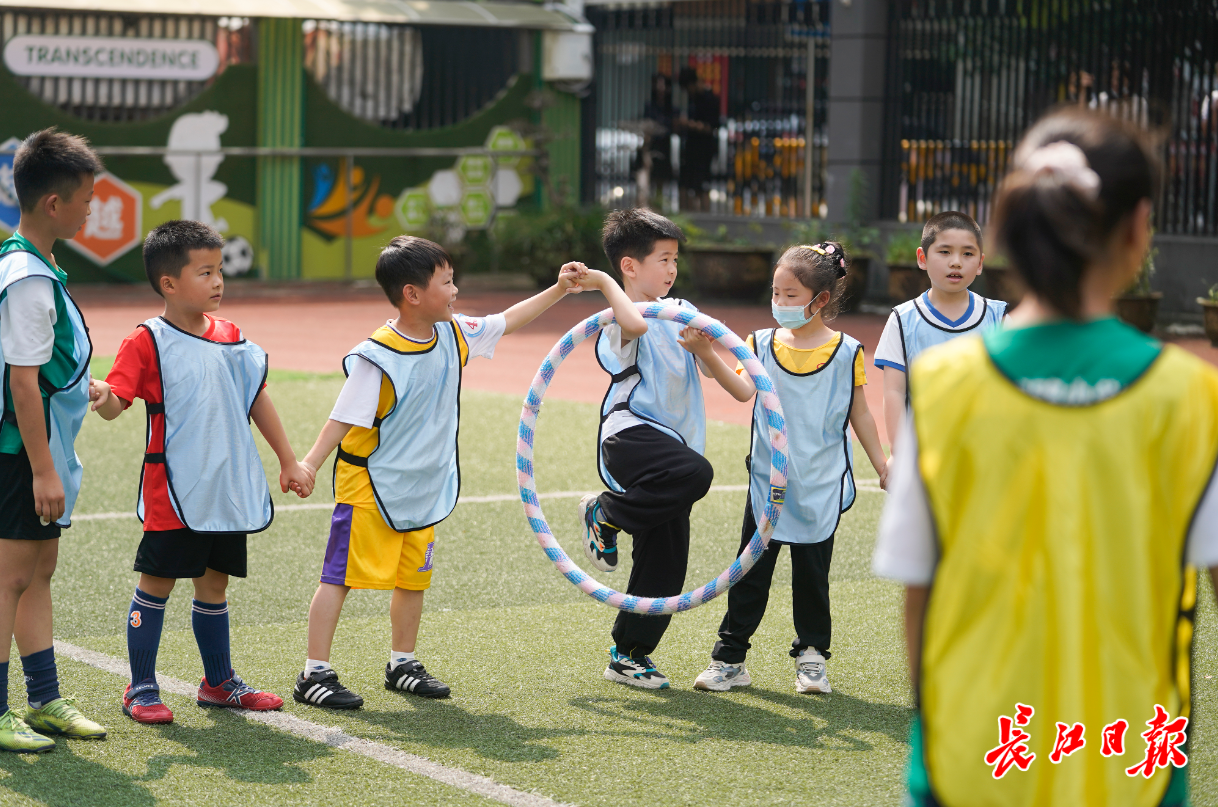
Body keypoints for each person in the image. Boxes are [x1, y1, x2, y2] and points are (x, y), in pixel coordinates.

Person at [873, 108, 1218, 806]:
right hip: (1135, 765)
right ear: (1139, 230)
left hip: (973, 756)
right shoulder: (1190, 395)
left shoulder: (943, 391)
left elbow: (921, 599)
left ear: (1004, 232)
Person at [292, 236, 587, 709]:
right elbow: (342, 419)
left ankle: (401, 663)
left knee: (414, 578)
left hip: (423, 485)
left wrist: (558, 289)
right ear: (412, 294)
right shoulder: (377, 356)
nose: (455, 291)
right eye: (446, 282)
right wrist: (308, 463)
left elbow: (507, 321)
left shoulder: (454, 331)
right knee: (339, 576)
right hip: (371, 485)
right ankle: (314, 673)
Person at [90, 220, 314, 724]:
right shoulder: (146, 340)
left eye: (219, 271)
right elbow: (117, 402)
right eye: (205, 272)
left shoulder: (233, 336)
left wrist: (288, 459)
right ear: (169, 283)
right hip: (173, 490)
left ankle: (219, 683)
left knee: (215, 587)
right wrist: (103, 397)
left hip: (226, 488)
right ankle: (141, 688)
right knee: (157, 584)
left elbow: (256, 397)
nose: (218, 281)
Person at [691, 243, 889, 695]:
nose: (779, 302)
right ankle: (730, 658)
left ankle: (812, 657)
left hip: (819, 484)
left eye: (790, 294)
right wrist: (707, 353)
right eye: (776, 292)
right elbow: (743, 392)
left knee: (812, 577)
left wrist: (882, 464)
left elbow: (860, 413)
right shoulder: (760, 342)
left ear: (820, 299)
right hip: (767, 482)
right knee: (750, 572)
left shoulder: (847, 351)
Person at [581, 208, 752, 690]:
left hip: (673, 455)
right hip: (631, 437)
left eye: (676, 259)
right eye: (663, 259)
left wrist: (704, 351)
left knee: (667, 562)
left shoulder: (683, 313)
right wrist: (601, 283)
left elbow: (743, 391)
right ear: (630, 266)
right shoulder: (616, 319)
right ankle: (605, 511)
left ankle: (628, 654)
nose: (672, 269)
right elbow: (634, 326)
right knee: (697, 473)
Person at [0, 128, 108, 753]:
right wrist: (43, 469)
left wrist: (84, 385)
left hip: (42, 453)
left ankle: (43, 700)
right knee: (10, 578)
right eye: (87, 199)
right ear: (53, 205)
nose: (91, 208)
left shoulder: (38, 267)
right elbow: (20, 382)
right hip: (22, 457)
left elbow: (43, 367)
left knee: (39, 571)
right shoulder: (28, 277)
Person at [873, 211, 1007, 454]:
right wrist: (898, 452)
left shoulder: (998, 318)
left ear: (980, 263)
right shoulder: (903, 320)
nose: (956, 262)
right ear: (922, 258)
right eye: (944, 252)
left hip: (983, 454)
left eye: (967, 253)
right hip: (924, 454)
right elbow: (894, 391)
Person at [676, 67, 720, 212]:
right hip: (691, 148)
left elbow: (710, 127)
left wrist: (689, 124)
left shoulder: (709, 99)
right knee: (686, 185)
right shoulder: (693, 99)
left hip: (704, 150)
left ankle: (704, 219)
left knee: (701, 187)